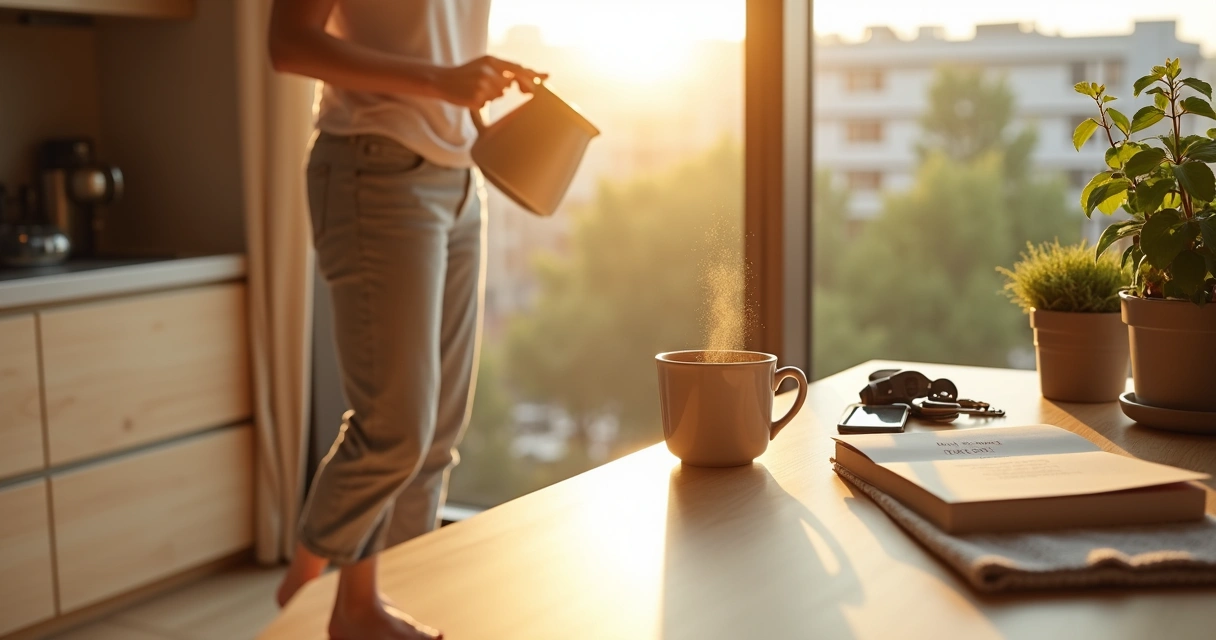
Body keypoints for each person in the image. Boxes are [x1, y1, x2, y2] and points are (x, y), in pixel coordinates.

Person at [268, 1, 545, 638]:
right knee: (396, 430)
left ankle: (368, 608)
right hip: (374, 168)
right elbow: (288, 45)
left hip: (457, 177)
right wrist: (439, 81)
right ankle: (307, 572)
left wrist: (473, 80)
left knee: (436, 440)